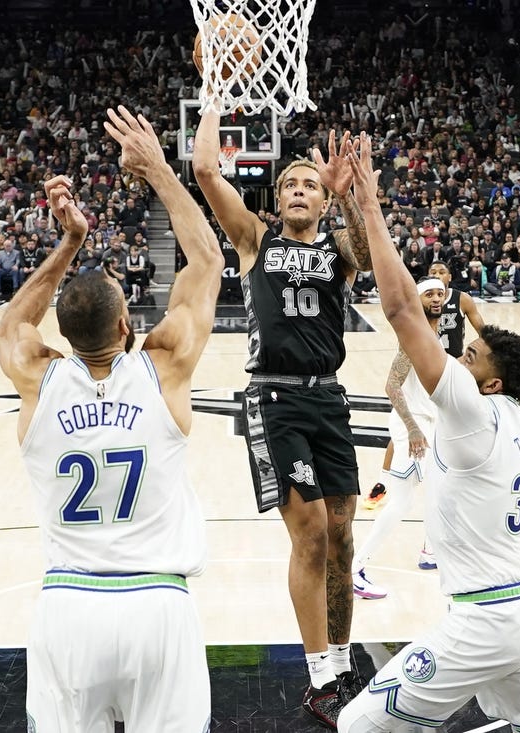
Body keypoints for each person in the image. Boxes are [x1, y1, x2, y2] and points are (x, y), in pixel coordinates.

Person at [0, 106, 221, 733]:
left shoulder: (40, 378)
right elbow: (205, 260)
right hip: (157, 606)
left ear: (61, 336)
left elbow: (14, 325)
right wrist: (155, 170)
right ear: (128, 326)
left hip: (67, 606)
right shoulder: (163, 366)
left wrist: (69, 241)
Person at [338, 134, 520, 733]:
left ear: (489, 383)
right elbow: (497, 354)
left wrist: (370, 210)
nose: (462, 358)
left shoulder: (471, 407)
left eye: (473, 357)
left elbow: (400, 311)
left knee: (361, 723)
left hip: (488, 620)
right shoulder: (514, 413)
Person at [194, 110, 372, 728]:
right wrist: (214, 89)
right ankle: (320, 674)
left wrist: (349, 196)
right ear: (278, 199)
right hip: (274, 399)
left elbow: (368, 253)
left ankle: (344, 660)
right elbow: (204, 170)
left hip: (329, 396)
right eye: (291, 185)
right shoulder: (254, 240)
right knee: (313, 534)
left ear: (324, 199)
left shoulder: (337, 247)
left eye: (310, 185)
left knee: (345, 538)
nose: (299, 191)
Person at [353, 265, 485, 600]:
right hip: (413, 430)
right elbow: (391, 386)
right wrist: (412, 428)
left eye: (440, 293)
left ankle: (429, 552)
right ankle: (355, 568)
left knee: (438, 493)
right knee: (406, 502)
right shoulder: (414, 337)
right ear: (418, 299)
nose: (438, 298)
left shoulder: (434, 336)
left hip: (427, 426)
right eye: (430, 294)